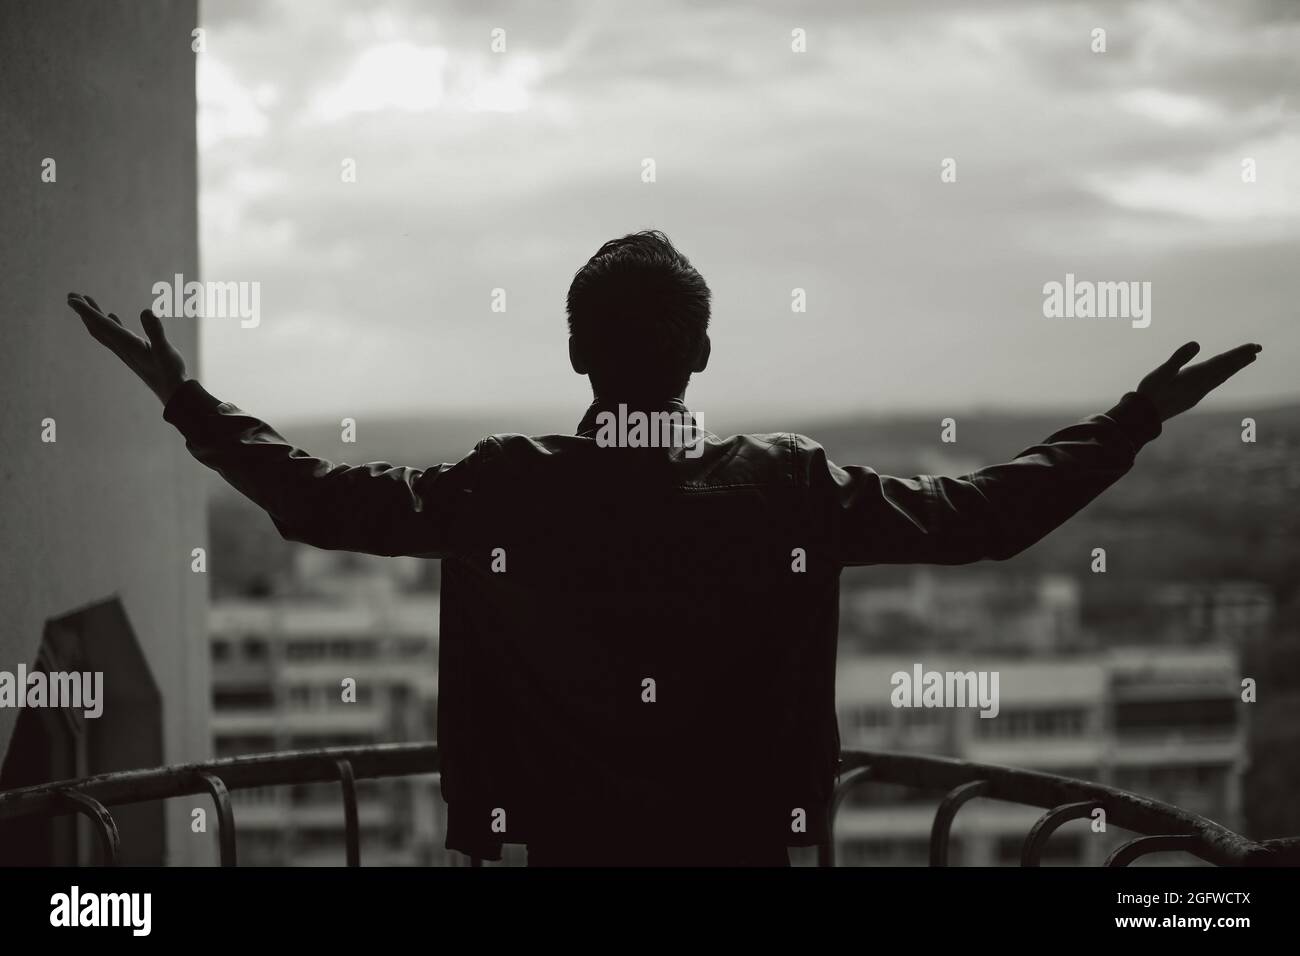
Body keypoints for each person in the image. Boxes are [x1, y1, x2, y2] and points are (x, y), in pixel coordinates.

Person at [67, 229, 1261, 867]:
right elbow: (985, 517)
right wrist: (1131, 420)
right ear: (699, 355)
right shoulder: (789, 487)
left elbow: (313, 497)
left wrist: (183, 394)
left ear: (578, 356)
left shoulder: (500, 487)